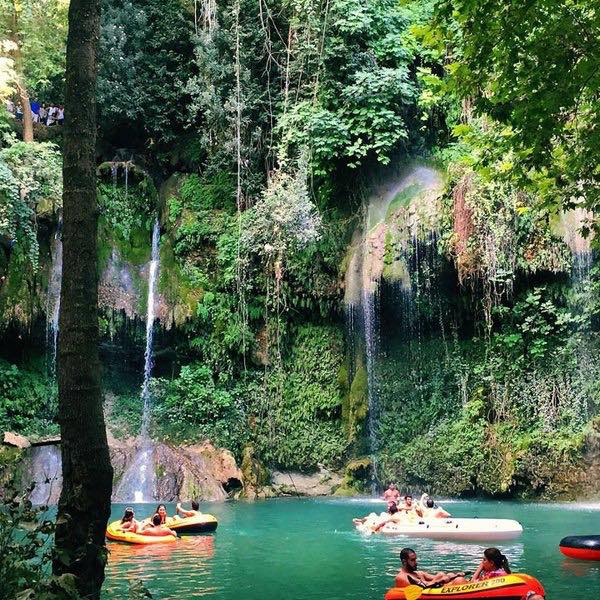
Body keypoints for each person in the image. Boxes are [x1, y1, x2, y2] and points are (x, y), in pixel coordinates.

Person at [395, 548, 466, 588]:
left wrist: (455, 575)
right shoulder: (401, 577)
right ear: (404, 561)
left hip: (434, 588)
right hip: (425, 591)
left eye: (415, 559)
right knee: (459, 581)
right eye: (413, 560)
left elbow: (437, 577)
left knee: (447, 575)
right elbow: (421, 587)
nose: (416, 562)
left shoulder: (419, 573)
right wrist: (442, 579)